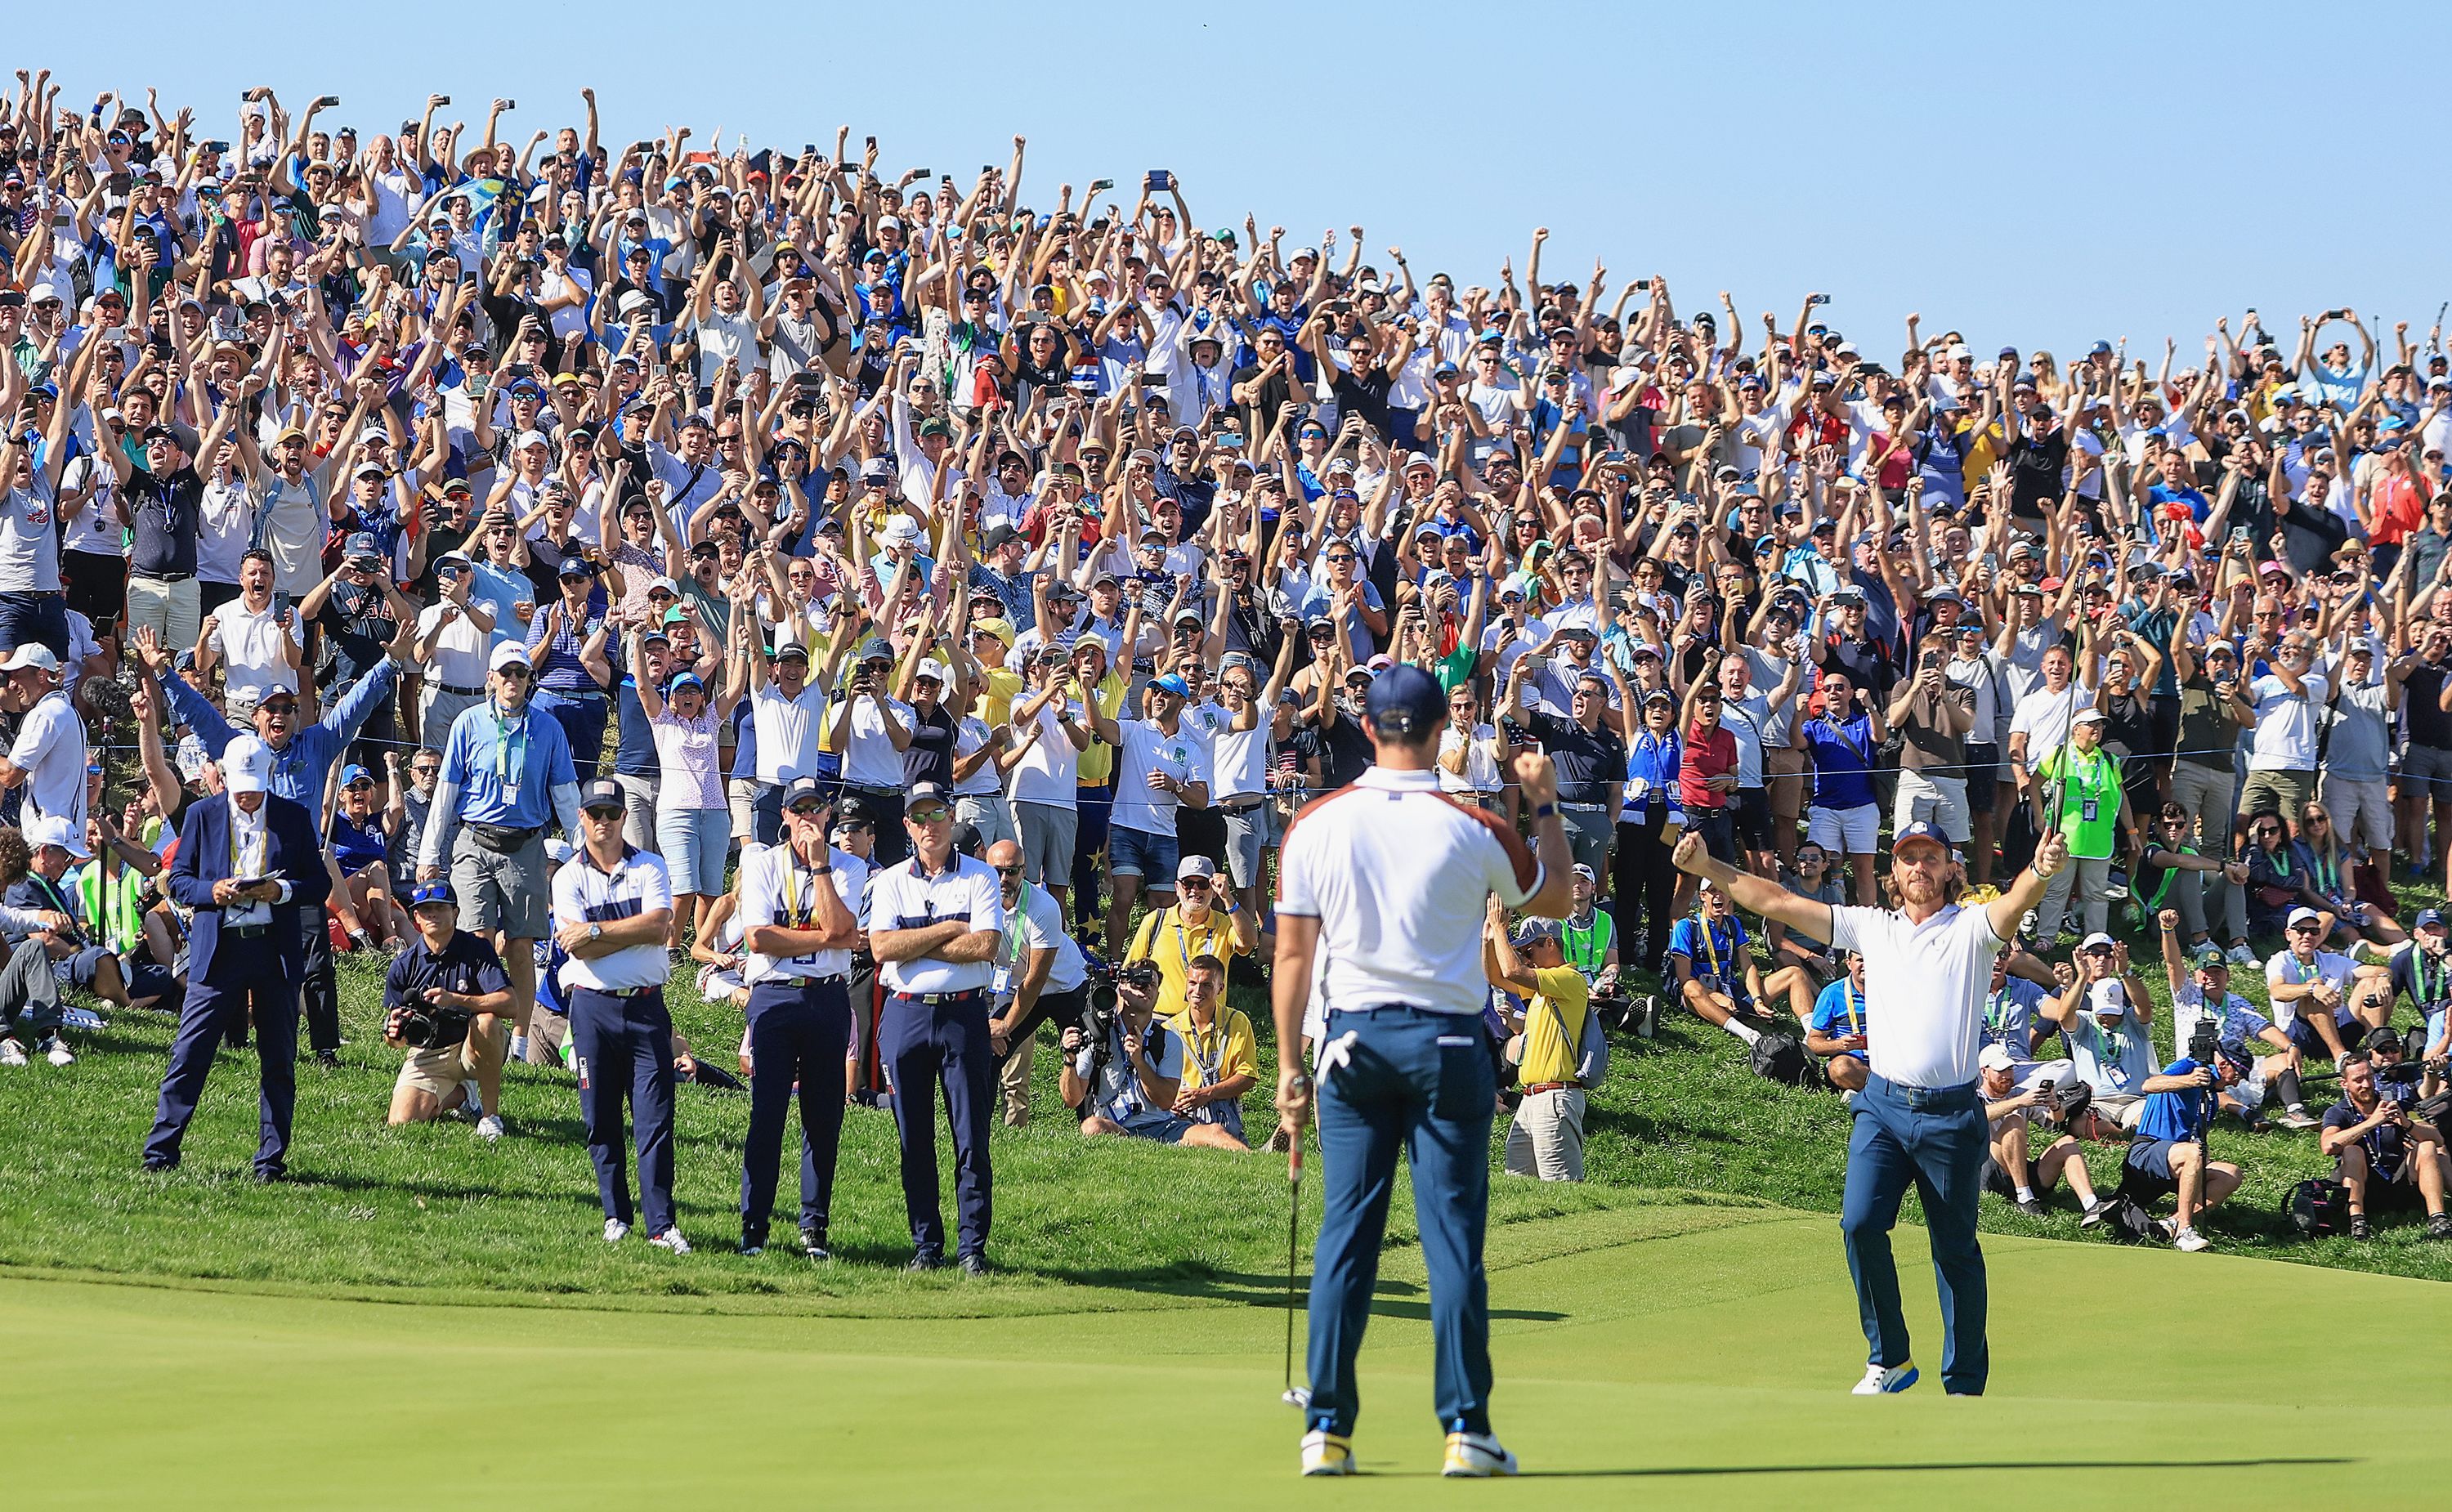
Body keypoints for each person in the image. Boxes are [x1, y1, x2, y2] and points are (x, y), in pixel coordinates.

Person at [1273, 664, 1571, 1478]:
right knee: (1451, 1242)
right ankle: (1466, 1427)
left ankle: (1327, 1429)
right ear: (1443, 730)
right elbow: (1562, 895)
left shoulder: (1316, 824)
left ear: (1367, 728)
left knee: (1346, 1237)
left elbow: (1292, 958)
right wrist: (1541, 796)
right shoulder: (1473, 824)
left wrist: (1289, 1068)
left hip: (1352, 1044)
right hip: (1448, 1046)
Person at [1672, 818, 2069, 1398]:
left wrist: (2040, 870)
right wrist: (1708, 867)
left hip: (1950, 1113)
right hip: (1882, 1106)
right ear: (1892, 874)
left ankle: (1963, 1383)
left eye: (1930, 856)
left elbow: (2012, 905)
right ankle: (1891, 1358)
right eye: (1908, 857)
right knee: (1859, 1225)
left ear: (1951, 867)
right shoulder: (1871, 928)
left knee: (1954, 1250)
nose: (1919, 867)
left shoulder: (1972, 929)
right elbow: (1778, 899)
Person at [143, 736, 332, 1179]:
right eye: (238, 787)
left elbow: (318, 884)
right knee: (190, 1054)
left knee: (278, 1059)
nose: (246, 796)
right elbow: (180, 880)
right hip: (219, 951)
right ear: (223, 779)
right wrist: (212, 892)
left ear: (268, 778)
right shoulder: (201, 815)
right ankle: (160, 1152)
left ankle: (271, 1160)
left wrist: (280, 891)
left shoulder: (293, 817)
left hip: (273, 950)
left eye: (254, 787)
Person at [417, 641, 585, 1060]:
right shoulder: (468, 723)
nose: (513, 681)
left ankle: (522, 1040)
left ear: (531, 680)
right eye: (505, 674)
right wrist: (429, 852)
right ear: (490, 679)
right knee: (477, 940)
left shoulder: (547, 728)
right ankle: (478, 1032)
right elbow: (447, 792)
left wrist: (585, 855)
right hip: (474, 840)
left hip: (526, 845)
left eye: (521, 674)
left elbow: (565, 795)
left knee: (522, 946)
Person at [866, 781, 1005, 1273]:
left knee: (971, 1138)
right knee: (914, 1139)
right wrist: (949, 929)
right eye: (919, 817)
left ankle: (972, 1248)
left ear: (951, 818)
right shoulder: (888, 882)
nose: (930, 826)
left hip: (963, 1015)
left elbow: (986, 946)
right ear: (907, 825)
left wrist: (913, 941)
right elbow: (881, 948)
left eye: (938, 814)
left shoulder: (982, 877)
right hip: (905, 1014)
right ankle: (927, 1245)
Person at [733, 776, 866, 1258]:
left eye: (816, 808)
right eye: (799, 809)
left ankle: (814, 1227)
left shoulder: (848, 866)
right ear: (785, 816)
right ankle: (755, 1225)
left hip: (827, 998)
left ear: (828, 815)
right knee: (766, 1114)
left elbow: (840, 924)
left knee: (823, 1118)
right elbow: (759, 939)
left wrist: (821, 867)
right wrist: (829, 939)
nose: (808, 817)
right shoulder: (763, 864)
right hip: (774, 997)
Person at [553, 777, 687, 1253]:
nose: (604, 822)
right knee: (600, 1117)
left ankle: (661, 1224)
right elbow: (575, 948)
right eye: (595, 814)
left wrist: (595, 931)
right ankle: (616, 1215)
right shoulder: (566, 877)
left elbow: (658, 927)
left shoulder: (650, 866)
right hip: (593, 1009)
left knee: (654, 1119)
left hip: (647, 1005)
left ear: (624, 817)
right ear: (582, 819)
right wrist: (614, 934)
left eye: (612, 813)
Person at [380, 879, 514, 1138]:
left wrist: (456, 999)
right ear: (415, 917)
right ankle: (462, 1097)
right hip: (429, 1052)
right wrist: (394, 1032)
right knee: (402, 1120)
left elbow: (510, 1004)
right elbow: (395, 1041)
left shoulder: (476, 949)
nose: (432, 914)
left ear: (455, 913)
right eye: (425, 909)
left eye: (440, 908)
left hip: (472, 1045)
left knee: (485, 1021)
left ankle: (490, 1117)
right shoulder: (404, 964)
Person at [982, 836, 1090, 1129]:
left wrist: (1006, 1025)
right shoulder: (978, 901)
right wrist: (996, 1027)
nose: (1004, 878)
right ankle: (979, 1127)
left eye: (1012, 871)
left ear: (1025, 870)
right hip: (1017, 987)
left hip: (1067, 987)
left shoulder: (1044, 906)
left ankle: (1093, 1129)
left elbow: (1037, 977)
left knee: (1083, 1057)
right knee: (988, 1049)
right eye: (996, 871)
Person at [1484, 912, 1591, 1181]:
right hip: (1532, 1098)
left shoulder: (1569, 979)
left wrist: (1500, 929)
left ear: (1551, 944)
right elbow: (1496, 976)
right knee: (1519, 1183)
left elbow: (1512, 971)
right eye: (1521, 951)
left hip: (1555, 1097)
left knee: (1562, 1188)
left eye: (1528, 950)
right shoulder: (1543, 989)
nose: (1525, 958)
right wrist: (1488, 938)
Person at [2121, 1045, 2248, 1252]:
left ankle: (2172, 1223)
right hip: (2147, 1150)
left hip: (2176, 1160)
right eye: (2238, 1074)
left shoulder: (2211, 1098)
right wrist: (2188, 1080)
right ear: (2223, 1065)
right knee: (2193, 1152)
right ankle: (2184, 1232)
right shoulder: (2189, 1066)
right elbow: (2150, 1085)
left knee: (2231, 1173)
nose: (2238, 1081)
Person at [2321, 1053, 2452, 1241]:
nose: (2366, 1085)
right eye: (2358, 1080)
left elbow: (2437, 1139)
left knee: (2427, 1147)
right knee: (2352, 1151)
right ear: (2344, 1084)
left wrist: (2407, 1123)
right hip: (2365, 1186)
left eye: (2368, 1077)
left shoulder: (2392, 1104)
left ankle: (2438, 1218)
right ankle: (2357, 1221)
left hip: (2400, 1180)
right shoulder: (2338, 1112)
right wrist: (2371, 1123)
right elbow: (2328, 1146)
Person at [1976, 1042, 2107, 1223]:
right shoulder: (1974, 1097)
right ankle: (2025, 1198)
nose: (2007, 1076)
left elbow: (2057, 1120)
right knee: (2014, 1121)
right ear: (1984, 1072)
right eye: (2001, 1071)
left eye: (2010, 1070)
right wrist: (2018, 1103)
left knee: (2067, 1142)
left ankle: (2091, 1205)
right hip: (1990, 1174)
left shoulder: (2019, 1094)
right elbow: (1980, 1116)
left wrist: (2055, 1104)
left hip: (2021, 1168)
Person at [1124, 853, 1257, 1023]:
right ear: (1178, 888)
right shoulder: (1155, 921)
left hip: (1207, 1024)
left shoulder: (1224, 924)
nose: (1195, 890)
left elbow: (1250, 941)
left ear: (1214, 891)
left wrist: (1228, 899)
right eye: (1188, 884)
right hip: (1160, 1022)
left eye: (1203, 884)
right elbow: (1130, 971)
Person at [1806, 951, 1873, 1094]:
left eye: (1871, 959)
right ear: (1849, 964)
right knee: (1840, 1068)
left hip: (1891, 1060)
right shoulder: (1832, 994)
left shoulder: (1895, 989)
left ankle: (1869, 1092)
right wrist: (1839, 1045)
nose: (1866, 965)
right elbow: (1813, 1042)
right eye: (1860, 960)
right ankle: (1886, 1092)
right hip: (1854, 1061)